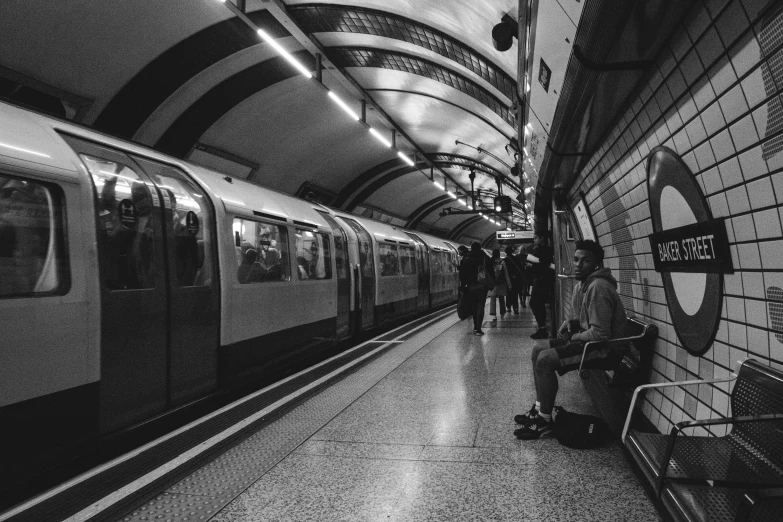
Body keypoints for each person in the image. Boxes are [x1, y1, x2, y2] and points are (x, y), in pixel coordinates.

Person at [513, 240, 628, 440]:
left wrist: (574, 336)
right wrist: (571, 323)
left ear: (596, 265)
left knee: (545, 360)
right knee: (537, 351)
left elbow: (601, 334)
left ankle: (544, 421)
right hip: (589, 342)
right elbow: (586, 321)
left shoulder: (598, 287)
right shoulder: (583, 285)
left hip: (605, 349)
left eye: (585, 261)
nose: (578, 264)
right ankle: (540, 408)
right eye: (576, 259)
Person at [459, 242, 494, 335]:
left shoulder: (466, 259)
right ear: (480, 248)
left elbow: (462, 274)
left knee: (474, 307)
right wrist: (491, 284)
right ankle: (479, 328)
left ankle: (475, 327)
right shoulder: (485, 257)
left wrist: (463, 286)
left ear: (471, 248)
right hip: (483, 285)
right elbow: (491, 271)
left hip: (471, 286)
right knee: (480, 306)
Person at [528, 236, 554, 339]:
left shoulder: (544, 250)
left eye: (536, 238)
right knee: (538, 303)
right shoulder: (544, 249)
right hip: (542, 279)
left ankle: (542, 329)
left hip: (541, 279)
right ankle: (542, 328)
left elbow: (544, 264)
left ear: (542, 239)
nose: (534, 240)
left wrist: (532, 265)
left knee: (534, 303)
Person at [489, 249, 511, 320]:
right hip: (501, 283)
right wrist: (509, 284)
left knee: (493, 299)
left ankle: (494, 314)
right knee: (501, 298)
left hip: (493, 283)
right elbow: (506, 274)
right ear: (499, 254)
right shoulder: (502, 262)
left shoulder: (490, 262)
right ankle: (502, 312)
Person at [504, 245, 525, 314]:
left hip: (508, 280)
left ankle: (509, 307)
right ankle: (515, 308)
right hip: (516, 279)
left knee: (509, 293)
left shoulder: (505, 260)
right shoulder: (517, 259)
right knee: (515, 293)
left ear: (506, 252)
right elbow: (521, 267)